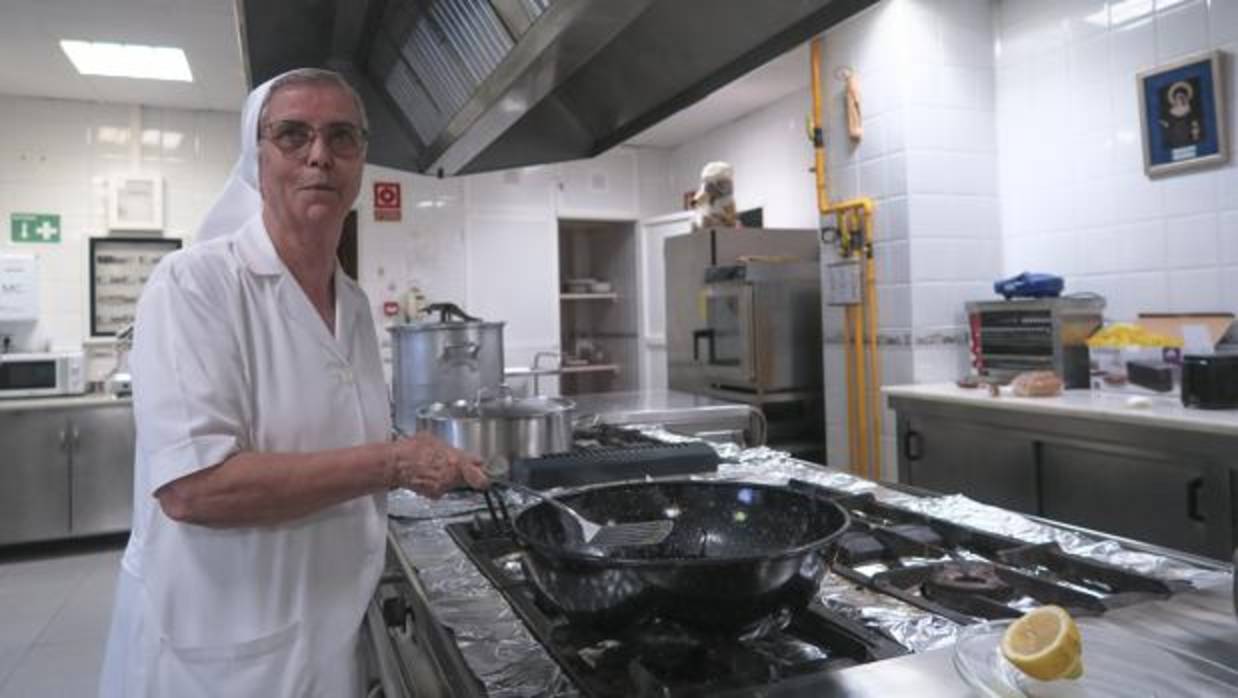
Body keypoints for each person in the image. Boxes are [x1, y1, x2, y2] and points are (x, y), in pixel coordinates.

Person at [98, 68, 488, 697]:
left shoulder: (354, 305)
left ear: (361, 161)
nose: (319, 155)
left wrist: (422, 459)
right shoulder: (194, 285)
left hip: (326, 634)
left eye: (342, 137)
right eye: (292, 135)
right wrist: (393, 462)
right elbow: (195, 489)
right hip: (228, 654)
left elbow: (332, 431)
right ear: (256, 158)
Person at [1159, 80, 1203, 150]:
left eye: (1182, 97)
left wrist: (1195, 133)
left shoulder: (1190, 110)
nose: (1180, 100)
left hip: (1188, 137)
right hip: (1175, 139)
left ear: (1186, 98)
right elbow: (1168, 125)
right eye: (1178, 98)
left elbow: (1195, 124)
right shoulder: (1171, 112)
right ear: (1175, 99)